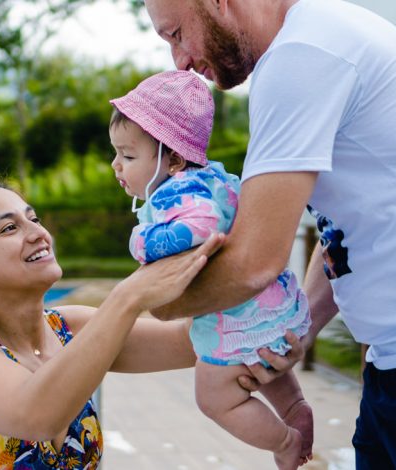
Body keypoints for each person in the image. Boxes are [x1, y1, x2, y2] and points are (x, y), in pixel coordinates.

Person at [140, 0, 396, 468]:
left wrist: (153, 299)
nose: (180, 61)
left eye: (175, 34)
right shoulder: (317, 36)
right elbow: (344, 224)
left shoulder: (301, 56)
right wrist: (300, 328)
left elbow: (254, 261)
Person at [0, 179, 231, 469]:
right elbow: (37, 415)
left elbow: (192, 341)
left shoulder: (69, 329)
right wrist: (127, 298)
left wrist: (266, 318)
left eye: (33, 219)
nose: (38, 233)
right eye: (9, 228)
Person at [109, 70, 313, 469]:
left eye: (129, 155)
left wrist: (141, 241)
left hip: (242, 318)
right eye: (116, 153)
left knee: (214, 396)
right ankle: (296, 408)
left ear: (174, 159)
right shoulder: (214, 178)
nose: (117, 165)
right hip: (272, 311)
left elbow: (201, 224)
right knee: (260, 358)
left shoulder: (178, 191)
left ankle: (285, 440)